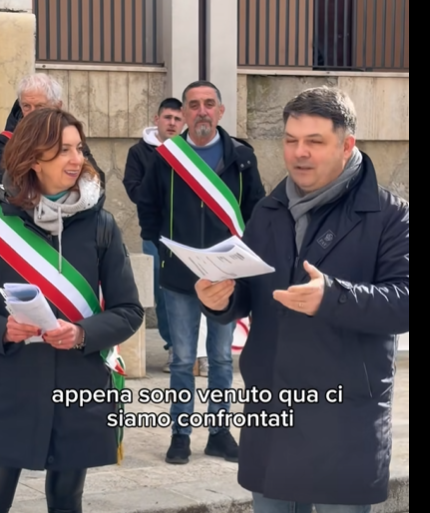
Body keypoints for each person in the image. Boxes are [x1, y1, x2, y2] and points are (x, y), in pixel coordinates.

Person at [196, 86, 409, 512]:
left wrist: (333, 297)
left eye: (315, 141)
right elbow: (250, 291)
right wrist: (219, 299)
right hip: (273, 413)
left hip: (343, 421)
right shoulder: (268, 210)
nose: (299, 153)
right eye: (291, 140)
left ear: (347, 145)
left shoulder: (390, 216)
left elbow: (402, 301)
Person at [0, 108, 144, 513]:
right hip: (11, 385)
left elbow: (129, 310)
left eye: (79, 148)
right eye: (63, 150)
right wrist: (4, 329)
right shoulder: (3, 225)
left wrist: (82, 333)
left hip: (77, 387)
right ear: (33, 158)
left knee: (66, 500)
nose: (76, 159)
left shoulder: (101, 225)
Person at [138, 80, 266, 465]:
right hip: (180, 275)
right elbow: (148, 207)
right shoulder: (166, 158)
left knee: (222, 357)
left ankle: (219, 432)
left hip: (225, 276)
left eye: (209, 104)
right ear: (184, 113)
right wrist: (164, 249)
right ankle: (180, 435)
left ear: (220, 111)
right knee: (181, 358)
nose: (202, 111)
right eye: (193, 105)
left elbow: (256, 209)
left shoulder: (242, 157)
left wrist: (243, 260)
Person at [123, 98, 185, 373]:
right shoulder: (139, 153)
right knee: (163, 293)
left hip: (189, 236)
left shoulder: (190, 151)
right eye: (167, 117)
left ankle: (196, 350)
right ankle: (174, 348)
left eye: (177, 119)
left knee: (194, 291)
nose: (172, 123)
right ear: (156, 119)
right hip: (155, 236)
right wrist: (166, 197)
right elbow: (134, 189)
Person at [0, 73, 105, 188]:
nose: (32, 113)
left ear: (57, 106)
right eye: (26, 106)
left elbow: (96, 181)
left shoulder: (70, 137)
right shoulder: (6, 142)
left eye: (40, 106)